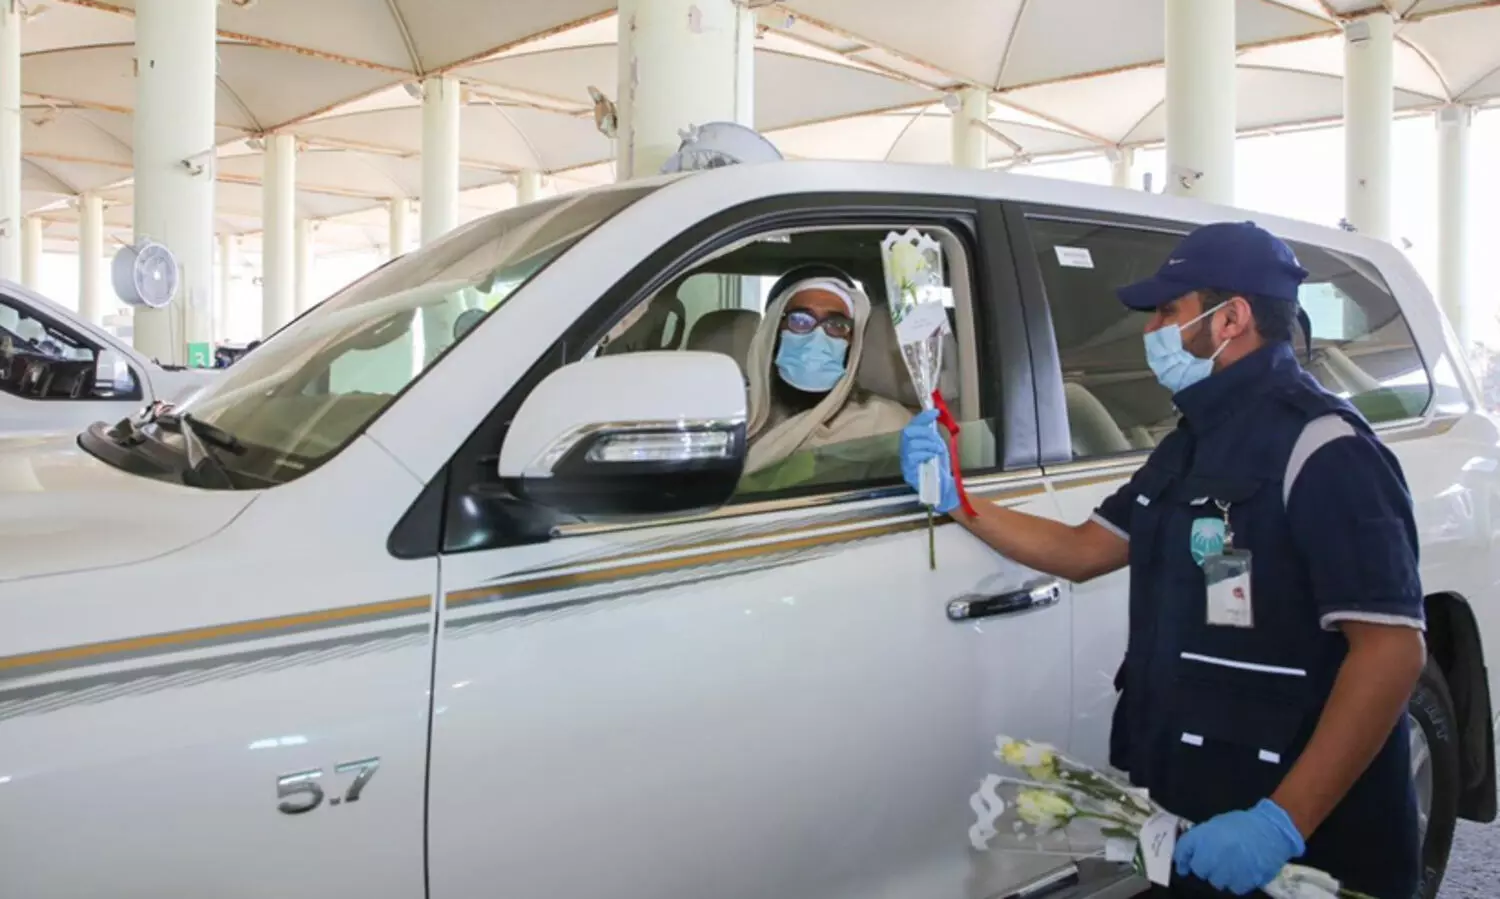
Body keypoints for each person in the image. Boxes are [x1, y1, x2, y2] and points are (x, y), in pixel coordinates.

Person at [899, 222, 1425, 898]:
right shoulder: (1189, 447)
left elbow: (1390, 651)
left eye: (1168, 311)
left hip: (1304, 839)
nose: (1151, 332)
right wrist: (958, 500)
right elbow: (1084, 550)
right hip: (1198, 813)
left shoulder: (1325, 449)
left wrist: (1280, 822)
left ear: (1231, 318)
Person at [737, 267, 911, 492]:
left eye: (836, 325)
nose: (817, 336)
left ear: (852, 343)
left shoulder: (885, 425)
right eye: (800, 320)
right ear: (773, 331)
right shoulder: (733, 414)